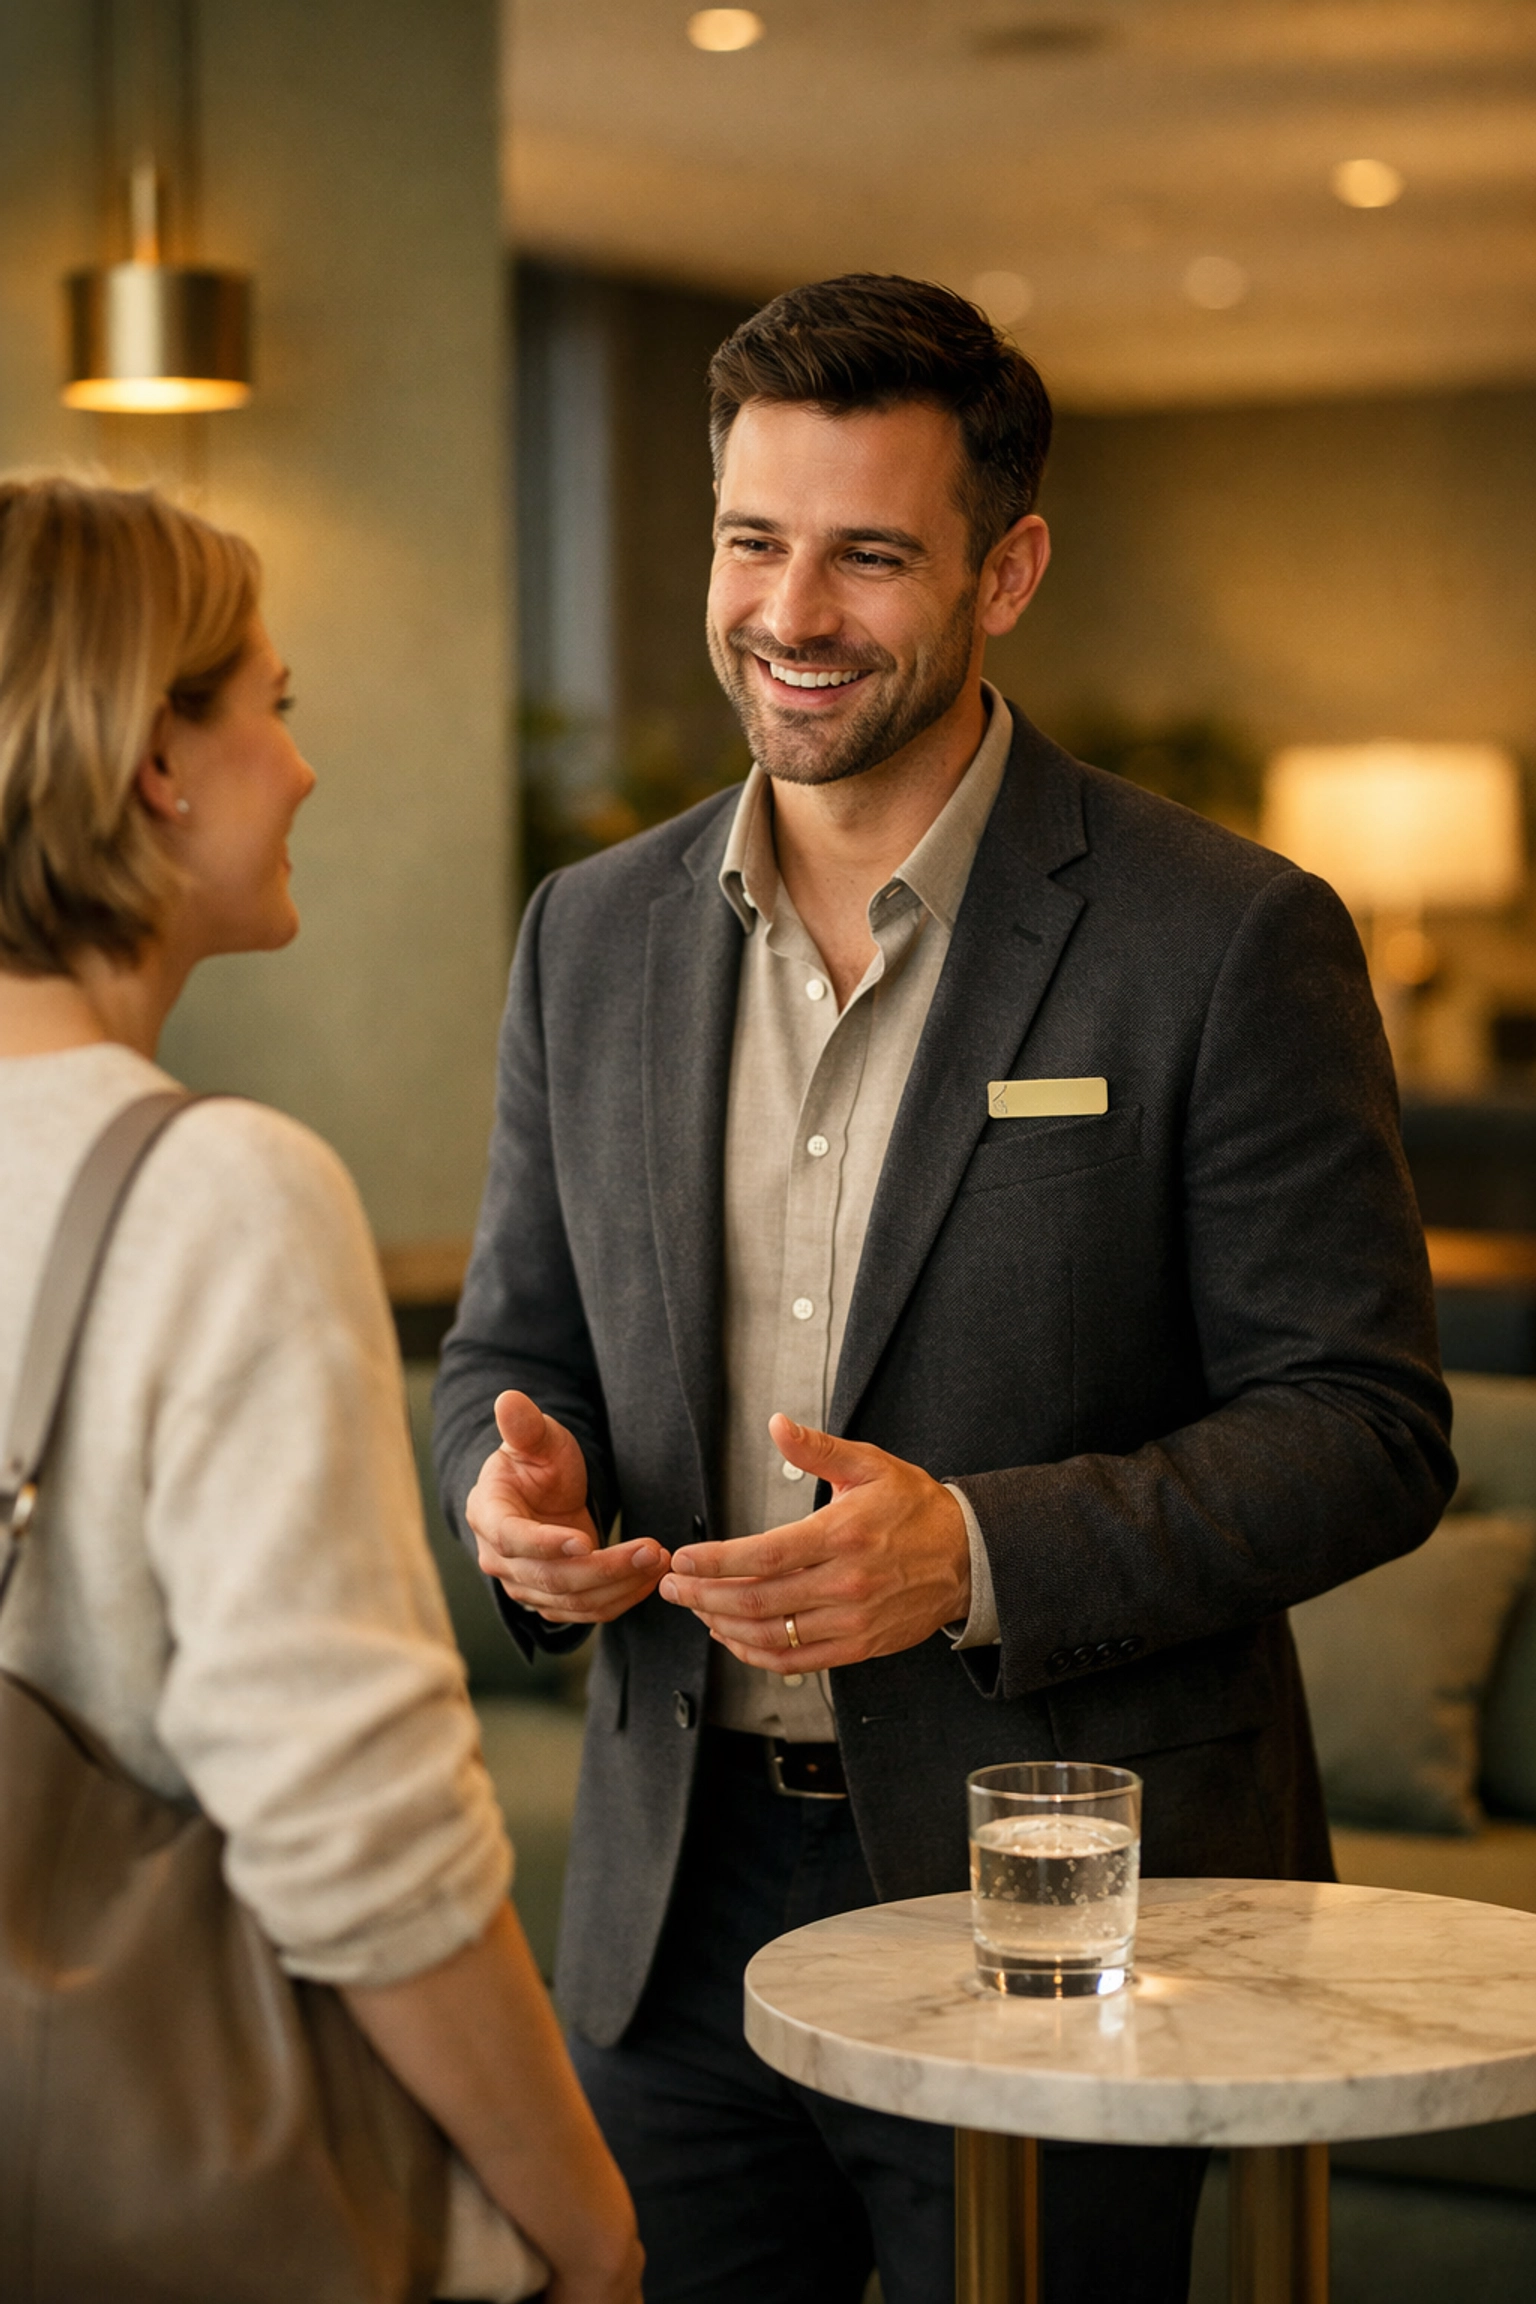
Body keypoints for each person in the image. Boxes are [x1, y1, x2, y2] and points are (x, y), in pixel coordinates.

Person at [435, 275, 1455, 2304]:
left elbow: (1365, 1428)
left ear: (1010, 570)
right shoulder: (594, 931)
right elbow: (509, 1345)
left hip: (1075, 1902)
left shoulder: (1224, 936)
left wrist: (976, 1554)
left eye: (869, 554)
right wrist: (505, 1495)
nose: (790, 612)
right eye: (752, 539)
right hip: (670, 1902)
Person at [0, 475, 643, 2304]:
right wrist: (587, 2225)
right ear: (154, 766)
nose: (303, 768)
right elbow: (361, 1842)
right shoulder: (219, 1192)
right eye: (272, 707)